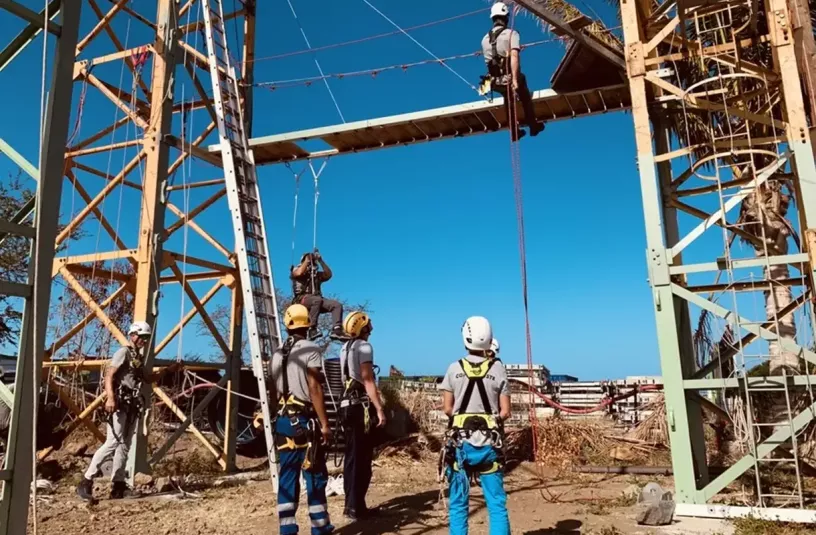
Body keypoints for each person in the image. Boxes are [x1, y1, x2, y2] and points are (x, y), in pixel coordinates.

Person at [76, 321, 180, 501]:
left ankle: (118, 486)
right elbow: (109, 375)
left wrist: (167, 370)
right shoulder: (123, 352)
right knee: (112, 443)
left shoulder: (136, 358)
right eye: (142, 337)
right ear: (133, 335)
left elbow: (148, 378)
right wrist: (110, 397)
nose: (144, 341)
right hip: (119, 403)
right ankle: (86, 481)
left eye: (146, 338)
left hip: (131, 404)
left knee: (124, 446)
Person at [440, 316, 512, 535]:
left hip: (461, 446)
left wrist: (464, 417)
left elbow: (447, 408)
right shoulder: (498, 369)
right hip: (489, 446)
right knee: (496, 505)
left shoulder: (454, 368)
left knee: (459, 505)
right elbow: (506, 412)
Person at [269, 304, 334, 535]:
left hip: (284, 422)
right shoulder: (311, 349)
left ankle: (287, 530)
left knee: (287, 477)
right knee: (314, 476)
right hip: (305, 422)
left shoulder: (276, 354)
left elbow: (273, 392)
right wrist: (325, 425)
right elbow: (314, 386)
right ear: (309, 323)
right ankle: (320, 528)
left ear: (288, 324)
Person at [339, 311, 387, 520]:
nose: (372, 328)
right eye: (368, 325)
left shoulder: (344, 347)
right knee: (362, 458)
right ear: (362, 328)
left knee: (351, 457)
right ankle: (356, 507)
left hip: (345, 406)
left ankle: (351, 504)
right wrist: (379, 408)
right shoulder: (364, 347)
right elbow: (367, 379)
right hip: (360, 408)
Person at [481, 2, 545, 141]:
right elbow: (514, 57)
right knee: (523, 87)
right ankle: (532, 124)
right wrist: (515, 80)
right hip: (508, 78)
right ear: (506, 17)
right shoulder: (511, 34)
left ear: (493, 18)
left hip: (494, 81)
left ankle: (514, 131)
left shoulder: (484, 39)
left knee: (507, 97)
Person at [290, 251, 344, 340]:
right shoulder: (296, 271)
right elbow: (298, 273)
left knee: (336, 305)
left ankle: (337, 329)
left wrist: (320, 260)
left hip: (316, 300)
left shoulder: (316, 275)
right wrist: (307, 260)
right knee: (317, 300)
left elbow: (328, 274)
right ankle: (312, 328)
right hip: (302, 299)